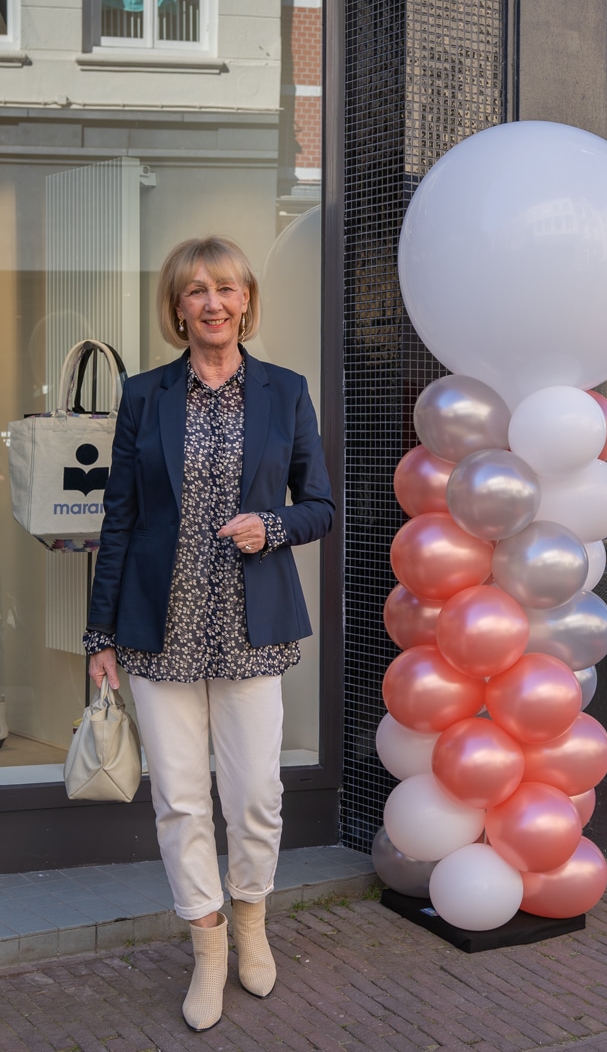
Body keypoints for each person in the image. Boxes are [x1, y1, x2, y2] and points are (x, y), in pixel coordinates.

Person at [84, 235, 334, 1032]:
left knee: (255, 796)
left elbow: (320, 505)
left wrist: (272, 525)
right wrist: (99, 636)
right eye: (195, 290)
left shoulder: (285, 391)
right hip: (158, 631)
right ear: (178, 307)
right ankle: (208, 943)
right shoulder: (145, 395)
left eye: (225, 288)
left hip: (250, 629)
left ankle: (251, 919)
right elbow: (118, 519)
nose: (212, 302)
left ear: (246, 300)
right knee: (180, 801)